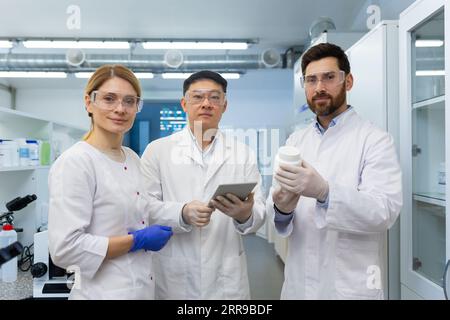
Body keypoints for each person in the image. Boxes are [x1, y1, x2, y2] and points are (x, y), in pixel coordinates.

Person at [267, 43, 402, 299]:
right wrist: (282, 209)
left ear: (348, 81)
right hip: (300, 285)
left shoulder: (375, 140)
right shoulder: (295, 141)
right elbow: (279, 215)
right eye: (311, 80)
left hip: (350, 286)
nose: (319, 87)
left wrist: (324, 192)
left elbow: (384, 212)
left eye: (329, 77)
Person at [48, 64, 173, 300]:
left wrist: (183, 213)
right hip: (100, 294)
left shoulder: (133, 158)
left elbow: (140, 211)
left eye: (129, 101)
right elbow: (65, 250)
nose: (120, 109)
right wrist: (136, 241)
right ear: (89, 102)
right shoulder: (76, 162)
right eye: (109, 99)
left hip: (142, 289)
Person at [140, 70, 266, 299]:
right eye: (197, 97)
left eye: (214, 97)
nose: (206, 103)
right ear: (184, 104)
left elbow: (259, 211)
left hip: (225, 276)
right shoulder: (157, 151)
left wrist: (244, 214)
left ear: (224, 105)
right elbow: (143, 208)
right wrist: (182, 212)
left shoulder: (242, 153)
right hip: (174, 274)